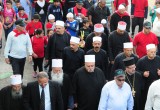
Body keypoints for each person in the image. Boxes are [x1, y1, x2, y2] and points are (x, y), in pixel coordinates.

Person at [136, 44, 160, 109]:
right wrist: (143, 73)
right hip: (146, 85)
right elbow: (136, 71)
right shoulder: (141, 61)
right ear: (147, 52)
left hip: (157, 85)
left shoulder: (158, 59)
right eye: (152, 52)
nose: (153, 54)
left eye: (154, 52)